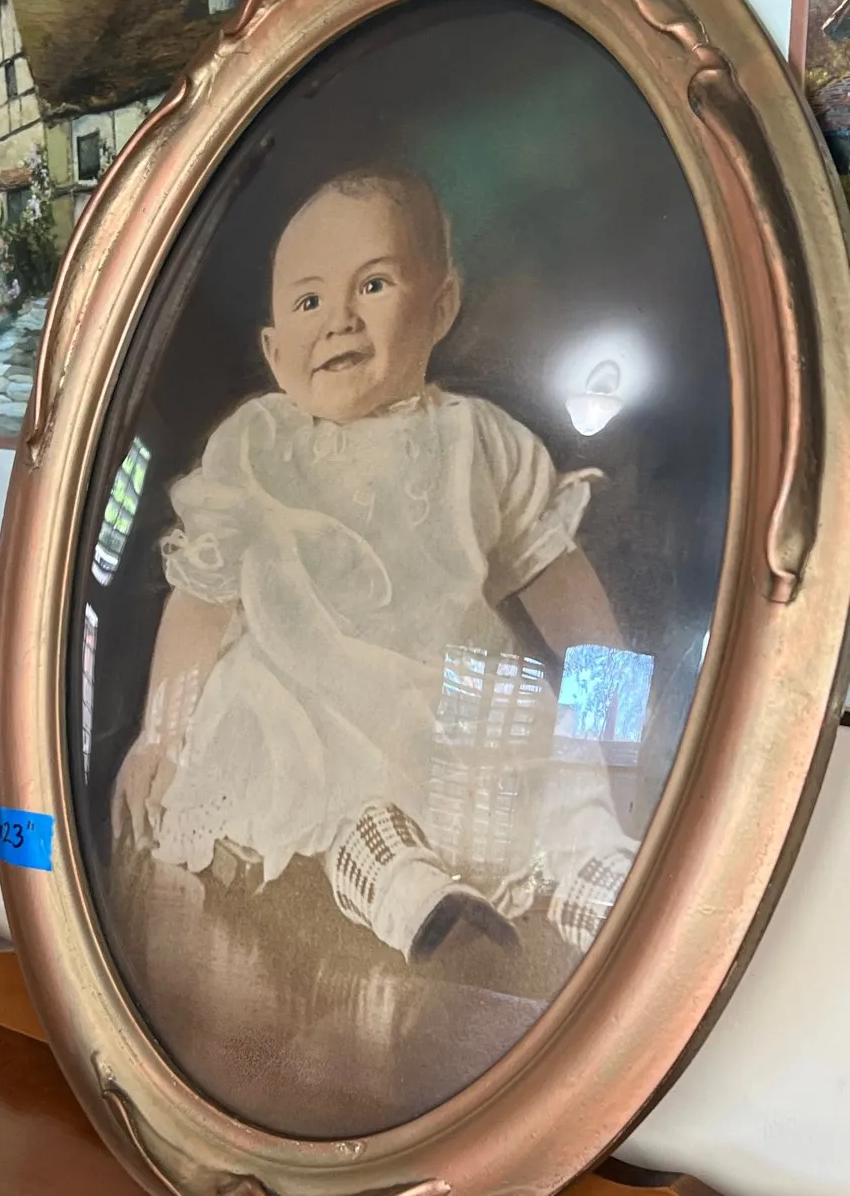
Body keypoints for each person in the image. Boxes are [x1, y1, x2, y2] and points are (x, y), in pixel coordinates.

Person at [111, 167, 637, 968]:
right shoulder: (257, 444)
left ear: (441, 306)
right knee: (278, 754)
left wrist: (617, 715)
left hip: (452, 697)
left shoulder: (481, 441)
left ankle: (588, 868)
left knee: (549, 743)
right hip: (302, 697)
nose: (340, 321)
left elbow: (562, 587)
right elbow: (202, 596)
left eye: (374, 284)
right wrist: (163, 732)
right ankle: (392, 877)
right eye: (309, 302)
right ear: (274, 350)